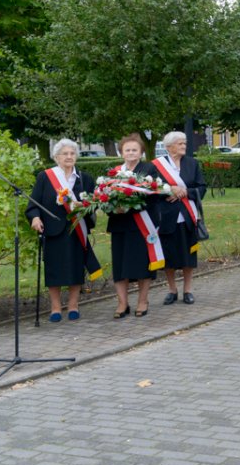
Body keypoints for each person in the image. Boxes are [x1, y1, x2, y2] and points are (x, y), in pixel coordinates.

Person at [26, 138, 102, 322]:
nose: (69, 157)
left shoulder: (85, 179)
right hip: (53, 231)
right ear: (57, 157)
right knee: (54, 270)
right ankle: (55, 308)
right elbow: (33, 204)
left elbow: (94, 204)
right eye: (65, 154)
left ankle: (73, 305)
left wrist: (83, 205)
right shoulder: (45, 177)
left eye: (72, 153)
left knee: (76, 268)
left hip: (77, 230)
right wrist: (35, 217)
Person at [107, 133, 162, 318]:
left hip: (142, 224)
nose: (130, 153)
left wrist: (129, 207)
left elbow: (154, 195)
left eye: (134, 150)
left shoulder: (149, 169)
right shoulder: (114, 172)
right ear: (121, 152)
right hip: (120, 223)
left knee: (142, 265)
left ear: (141, 152)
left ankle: (142, 301)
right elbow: (104, 196)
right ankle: (122, 303)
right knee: (120, 266)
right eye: (127, 150)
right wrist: (114, 208)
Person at [153, 131, 207, 306]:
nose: (184, 146)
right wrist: (169, 190)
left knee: (188, 254)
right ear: (169, 147)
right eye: (179, 143)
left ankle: (188, 290)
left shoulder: (192, 164)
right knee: (168, 255)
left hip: (188, 216)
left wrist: (185, 192)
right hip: (166, 217)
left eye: (184, 143)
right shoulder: (156, 166)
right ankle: (172, 290)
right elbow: (151, 189)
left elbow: (202, 188)